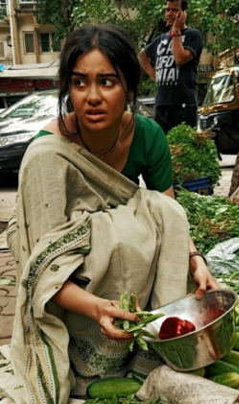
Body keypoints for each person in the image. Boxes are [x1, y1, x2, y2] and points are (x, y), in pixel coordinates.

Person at [0, 25, 218, 404]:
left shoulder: (148, 136)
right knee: (112, 235)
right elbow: (43, 268)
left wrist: (196, 260)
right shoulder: (47, 156)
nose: (93, 97)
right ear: (68, 90)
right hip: (73, 274)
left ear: (129, 88)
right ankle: (89, 364)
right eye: (80, 83)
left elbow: (169, 216)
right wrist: (99, 309)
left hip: (124, 270)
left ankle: (150, 350)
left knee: (148, 216)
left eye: (107, 82)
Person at [138, 0, 204, 134]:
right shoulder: (161, 39)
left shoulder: (193, 35)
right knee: (161, 147)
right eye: (167, 10)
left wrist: (177, 31)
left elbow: (180, 59)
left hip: (183, 105)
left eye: (174, 10)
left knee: (182, 149)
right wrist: (154, 75)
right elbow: (142, 55)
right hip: (162, 104)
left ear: (184, 14)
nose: (169, 13)